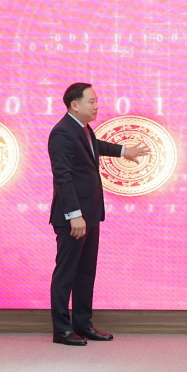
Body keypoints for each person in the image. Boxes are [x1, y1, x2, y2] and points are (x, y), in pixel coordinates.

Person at [48, 83, 149, 346]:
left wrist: (124, 151)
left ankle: (83, 324)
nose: (96, 106)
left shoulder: (83, 128)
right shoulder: (61, 133)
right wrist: (74, 214)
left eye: (96, 101)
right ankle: (62, 330)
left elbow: (94, 146)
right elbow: (63, 177)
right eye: (91, 101)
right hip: (74, 218)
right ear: (74, 105)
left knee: (85, 273)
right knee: (66, 273)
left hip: (90, 214)